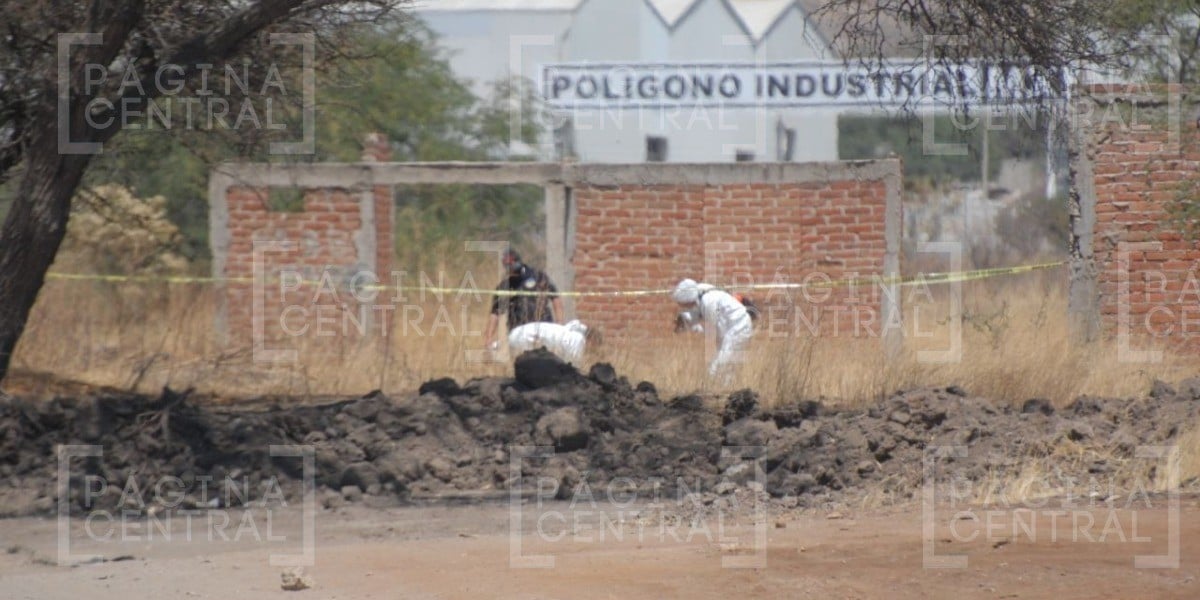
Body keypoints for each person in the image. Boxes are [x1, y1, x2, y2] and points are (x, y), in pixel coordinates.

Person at [483, 248, 564, 351]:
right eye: (507, 266)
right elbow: (495, 313)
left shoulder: (538, 276)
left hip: (544, 327)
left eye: (512, 264)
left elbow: (556, 298)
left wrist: (560, 324)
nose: (511, 268)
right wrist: (488, 337)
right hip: (519, 332)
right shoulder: (504, 286)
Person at [672, 278, 754, 379]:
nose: (684, 307)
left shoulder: (708, 303)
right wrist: (685, 319)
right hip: (732, 326)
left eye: (684, 305)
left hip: (738, 327)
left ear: (688, 300)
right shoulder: (700, 291)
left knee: (717, 369)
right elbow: (696, 313)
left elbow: (718, 330)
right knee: (727, 368)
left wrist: (697, 329)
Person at [507, 319, 593, 365]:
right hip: (526, 338)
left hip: (519, 334)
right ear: (591, 341)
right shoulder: (577, 339)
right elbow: (573, 365)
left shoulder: (569, 334)